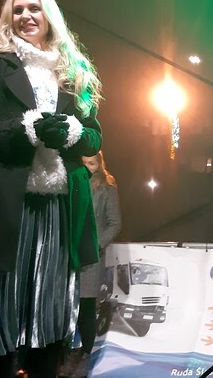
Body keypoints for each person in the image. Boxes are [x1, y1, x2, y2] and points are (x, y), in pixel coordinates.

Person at [0, 0, 103, 378]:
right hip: (9, 202)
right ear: (8, 18)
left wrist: (73, 132)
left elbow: (95, 136)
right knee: (0, 311)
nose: (26, 16)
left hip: (58, 207)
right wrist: (24, 130)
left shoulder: (73, 70)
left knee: (49, 311)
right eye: (18, 10)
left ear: (50, 16)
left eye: (35, 8)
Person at [58, 150, 123, 378]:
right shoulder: (73, 182)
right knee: (66, 306)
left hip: (90, 259)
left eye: (92, 163)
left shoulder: (107, 186)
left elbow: (114, 223)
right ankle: (65, 356)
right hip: (68, 256)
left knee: (86, 307)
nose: (88, 167)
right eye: (84, 163)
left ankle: (86, 355)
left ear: (100, 163)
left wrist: (95, 245)